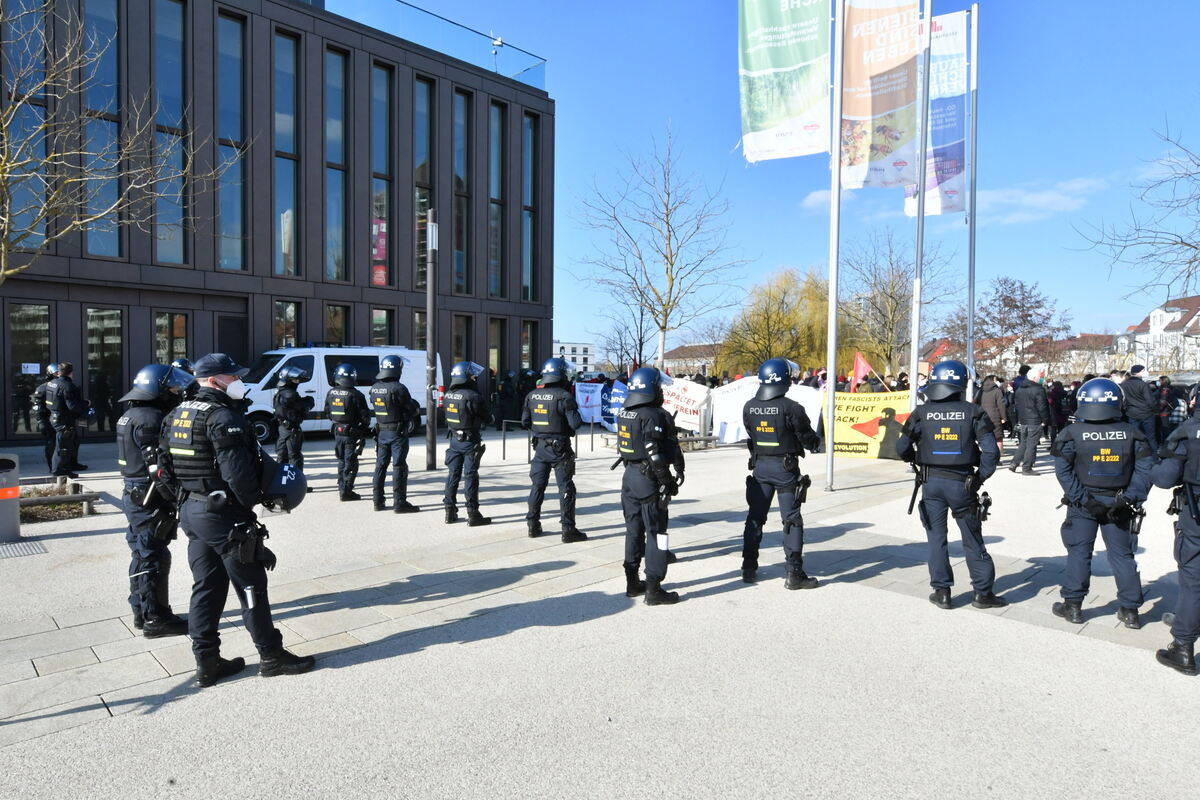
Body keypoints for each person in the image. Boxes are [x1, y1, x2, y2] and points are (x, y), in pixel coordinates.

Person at [162, 353, 314, 687]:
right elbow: (238, 475)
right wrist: (251, 509)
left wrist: (186, 500)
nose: (239, 382)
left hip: (193, 510)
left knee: (207, 588)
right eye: (234, 377)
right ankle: (272, 656)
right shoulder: (223, 417)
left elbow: (164, 468)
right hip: (224, 514)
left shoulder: (177, 413)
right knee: (251, 587)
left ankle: (207, 661)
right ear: (215, 380)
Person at [897, 359, 1007, 610]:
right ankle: (983, 592)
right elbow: (991, 453)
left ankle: (942, 591)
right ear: (961, 383)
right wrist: (980, 478)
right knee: (972, 538)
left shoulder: (921, 413)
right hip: (962, 484)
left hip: (931, 483)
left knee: (936, 538)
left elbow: (901, 447)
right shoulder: (973, 412)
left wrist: (915, 460)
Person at [1050, 377, 1153, 629]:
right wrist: (1129, 498)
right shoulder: (1132, 433)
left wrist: (1083, 499)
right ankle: (1130, 611)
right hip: (1120, 502)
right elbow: (1145, 470)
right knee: (1122, 556)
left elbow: (1063, 471)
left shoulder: (1071, 433)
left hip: (1083, 503)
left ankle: (1073, 606)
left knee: (1079, 553)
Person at [115, 364, 195, 638]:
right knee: (154, 556)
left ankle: (140, 609)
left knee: (141, 552)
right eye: (171, 388)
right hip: (149, 498)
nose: (175, 392)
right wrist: (178, 497)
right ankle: (155, 618)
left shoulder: (131, 415)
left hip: (134, 493)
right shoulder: (151, 418)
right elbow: (158, 468)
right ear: (155, 388)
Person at [741, 357, 820, 588]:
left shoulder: (749, 406)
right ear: (784, 379)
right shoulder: (791, 407)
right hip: (785, 469)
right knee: (792, 520)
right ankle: (794, 573)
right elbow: (806, 437)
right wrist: (816, 444)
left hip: (760, 468)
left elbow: (750, 433)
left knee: (755, 518)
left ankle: (748, 567)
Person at [616, 367, 685, 605]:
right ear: (651, 388)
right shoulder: (654, 415)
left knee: (633, 531)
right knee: (658, 534)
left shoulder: (625, 412)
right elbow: (655, 453)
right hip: (649, 481)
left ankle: (632, 581)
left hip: (629, 478)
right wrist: (668, 481)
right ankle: (654, 588)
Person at [1151, 385, 1200, 675]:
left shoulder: (1186, 432)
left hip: (1196, 516)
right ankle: (1187, 617)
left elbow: (1164, 478)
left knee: (1193, 578)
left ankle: (1182, 646)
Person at [522, 357, 587, 542]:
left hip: (540, 448)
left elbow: (525, 422)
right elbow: (575, 423)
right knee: (566, 488)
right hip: (560, 450)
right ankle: (568, 530)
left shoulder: (531, 395)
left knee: (537, 487)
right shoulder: (564, 396)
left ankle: (532, 525)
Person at [442, 361, 491, 526]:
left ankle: (449, 511)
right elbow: (487, 417)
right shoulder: (473, 396)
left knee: (452, 476)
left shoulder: (448, 394)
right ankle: (473, 513)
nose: (474, 378)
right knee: (470, 477)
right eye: (472, 376)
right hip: (470, 441)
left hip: (454, 441)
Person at [369, 354, 419, 513]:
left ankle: (377, 501)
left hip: (381, 432)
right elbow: (410, 408)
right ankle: (399, 503)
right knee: (399, 467)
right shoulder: (399, 388)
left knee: (380, 467)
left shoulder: (375, 387)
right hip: (397, 434)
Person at [326, 362, 372, 502]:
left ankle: (341, 486)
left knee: (341, 461)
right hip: (352, 433)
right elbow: (365, 417)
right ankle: (346, 491)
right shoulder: (356, 395)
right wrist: (362, 429)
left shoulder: (331, 392)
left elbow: (327, 412)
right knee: (351, 462)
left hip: (337, 432)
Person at [48, 362, 89, 478]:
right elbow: (72, 407)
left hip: (54, 416)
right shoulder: (68, 385)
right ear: (71, 372)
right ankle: (59, 470)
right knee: (64, 446)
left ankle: (65, 468)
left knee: (65, 444)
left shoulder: (52, 383)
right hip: (64, 420)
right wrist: (85, 404)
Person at [1010, 365, 1050, 474]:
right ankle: (1027, 467)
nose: (1040, 379)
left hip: (1023, 419)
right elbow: (1042, 406)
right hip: (1035, 420)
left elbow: (1017, 404)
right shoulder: (1038, 389)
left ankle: (1014, 463)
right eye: (1039, 377)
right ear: (1034, 378)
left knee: (1023, 443)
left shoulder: (1019, 389)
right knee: (1031, 444)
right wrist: (1045, 420)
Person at [273, 365, 311, 470]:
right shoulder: (290, 394)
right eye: (295, 380)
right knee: (295, 456)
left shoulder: (280, 391)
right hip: (291, 430)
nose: (297, 382)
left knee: (281, 456)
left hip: (282, 429)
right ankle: (297, 484)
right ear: (288, 380)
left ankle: (280, 482)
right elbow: (301, 407)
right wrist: (309, 402)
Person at [1121, 365, 1159, 447]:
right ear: (1139, 372)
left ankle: (1135, 456)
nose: (1145, 372)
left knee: (1134, 437)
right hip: (1146, 414)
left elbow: (1123, 400)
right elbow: (1150, 401)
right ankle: (1154, 457)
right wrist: (1156, 411)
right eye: (1143, 370)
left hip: (1131, 414)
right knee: (1151, 437)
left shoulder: (1124, 385)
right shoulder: (1143, 384)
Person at [33, 365, 57, 471]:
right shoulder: (43, 388)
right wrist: (41, 420)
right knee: (51, 443)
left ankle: (70, 464)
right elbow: (38, 407)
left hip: (58, 419)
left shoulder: (61, 386)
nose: (58, 375)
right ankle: (52, 466)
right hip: (46, 419)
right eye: (56, 373)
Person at [976, 374, 1007, 456]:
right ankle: (999, 455)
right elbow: (1001, 405)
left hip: (983, 416)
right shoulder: (997, 391)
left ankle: (987, 453)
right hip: (995, 416)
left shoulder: (980, 391)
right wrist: (1004, 417)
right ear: (993, 380)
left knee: (985, 436)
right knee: (998, 437)